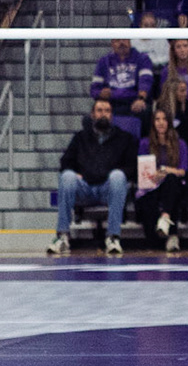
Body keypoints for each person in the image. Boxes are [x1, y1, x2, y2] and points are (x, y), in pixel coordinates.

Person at [49, 97, 137, 257]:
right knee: (67, 176)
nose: (104, 114)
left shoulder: (124, 138)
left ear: (112, 115)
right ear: (92, 114)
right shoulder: (80, 137)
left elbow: (132, 167)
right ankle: (62, 236)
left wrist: (112, 174)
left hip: (108, 188)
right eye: (100, 110)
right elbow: (65, 162)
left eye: (107, 111)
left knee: (118, 176)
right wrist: (74, 172)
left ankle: (113, 237)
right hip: (85, 188)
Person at [136, 106, 188, 252]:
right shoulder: (145, 143)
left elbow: (182, 171)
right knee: (148, 198)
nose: (161, 123)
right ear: (152, 122)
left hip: (173, 185)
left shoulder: (180, 144)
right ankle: (160, 236)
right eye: (157, 119)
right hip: (151, 184)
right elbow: (143, 169)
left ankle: (167, 223)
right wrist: (155, 175)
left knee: (172, 182)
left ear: (169, 122)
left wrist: (164, 171)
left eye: (164, 119)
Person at [90, 39, 153, 133]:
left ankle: (142, 146)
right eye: (117, 41)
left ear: (130, 42)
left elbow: (146, 81)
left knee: (145, 112)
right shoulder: (103, 61)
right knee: (88, 119)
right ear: (112, 44)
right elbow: (94, 89)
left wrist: (141, 99)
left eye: (124, 39)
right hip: (111, 104)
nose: (121, 43)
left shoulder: (142, 58)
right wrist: (100, 93)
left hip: (133, 102)